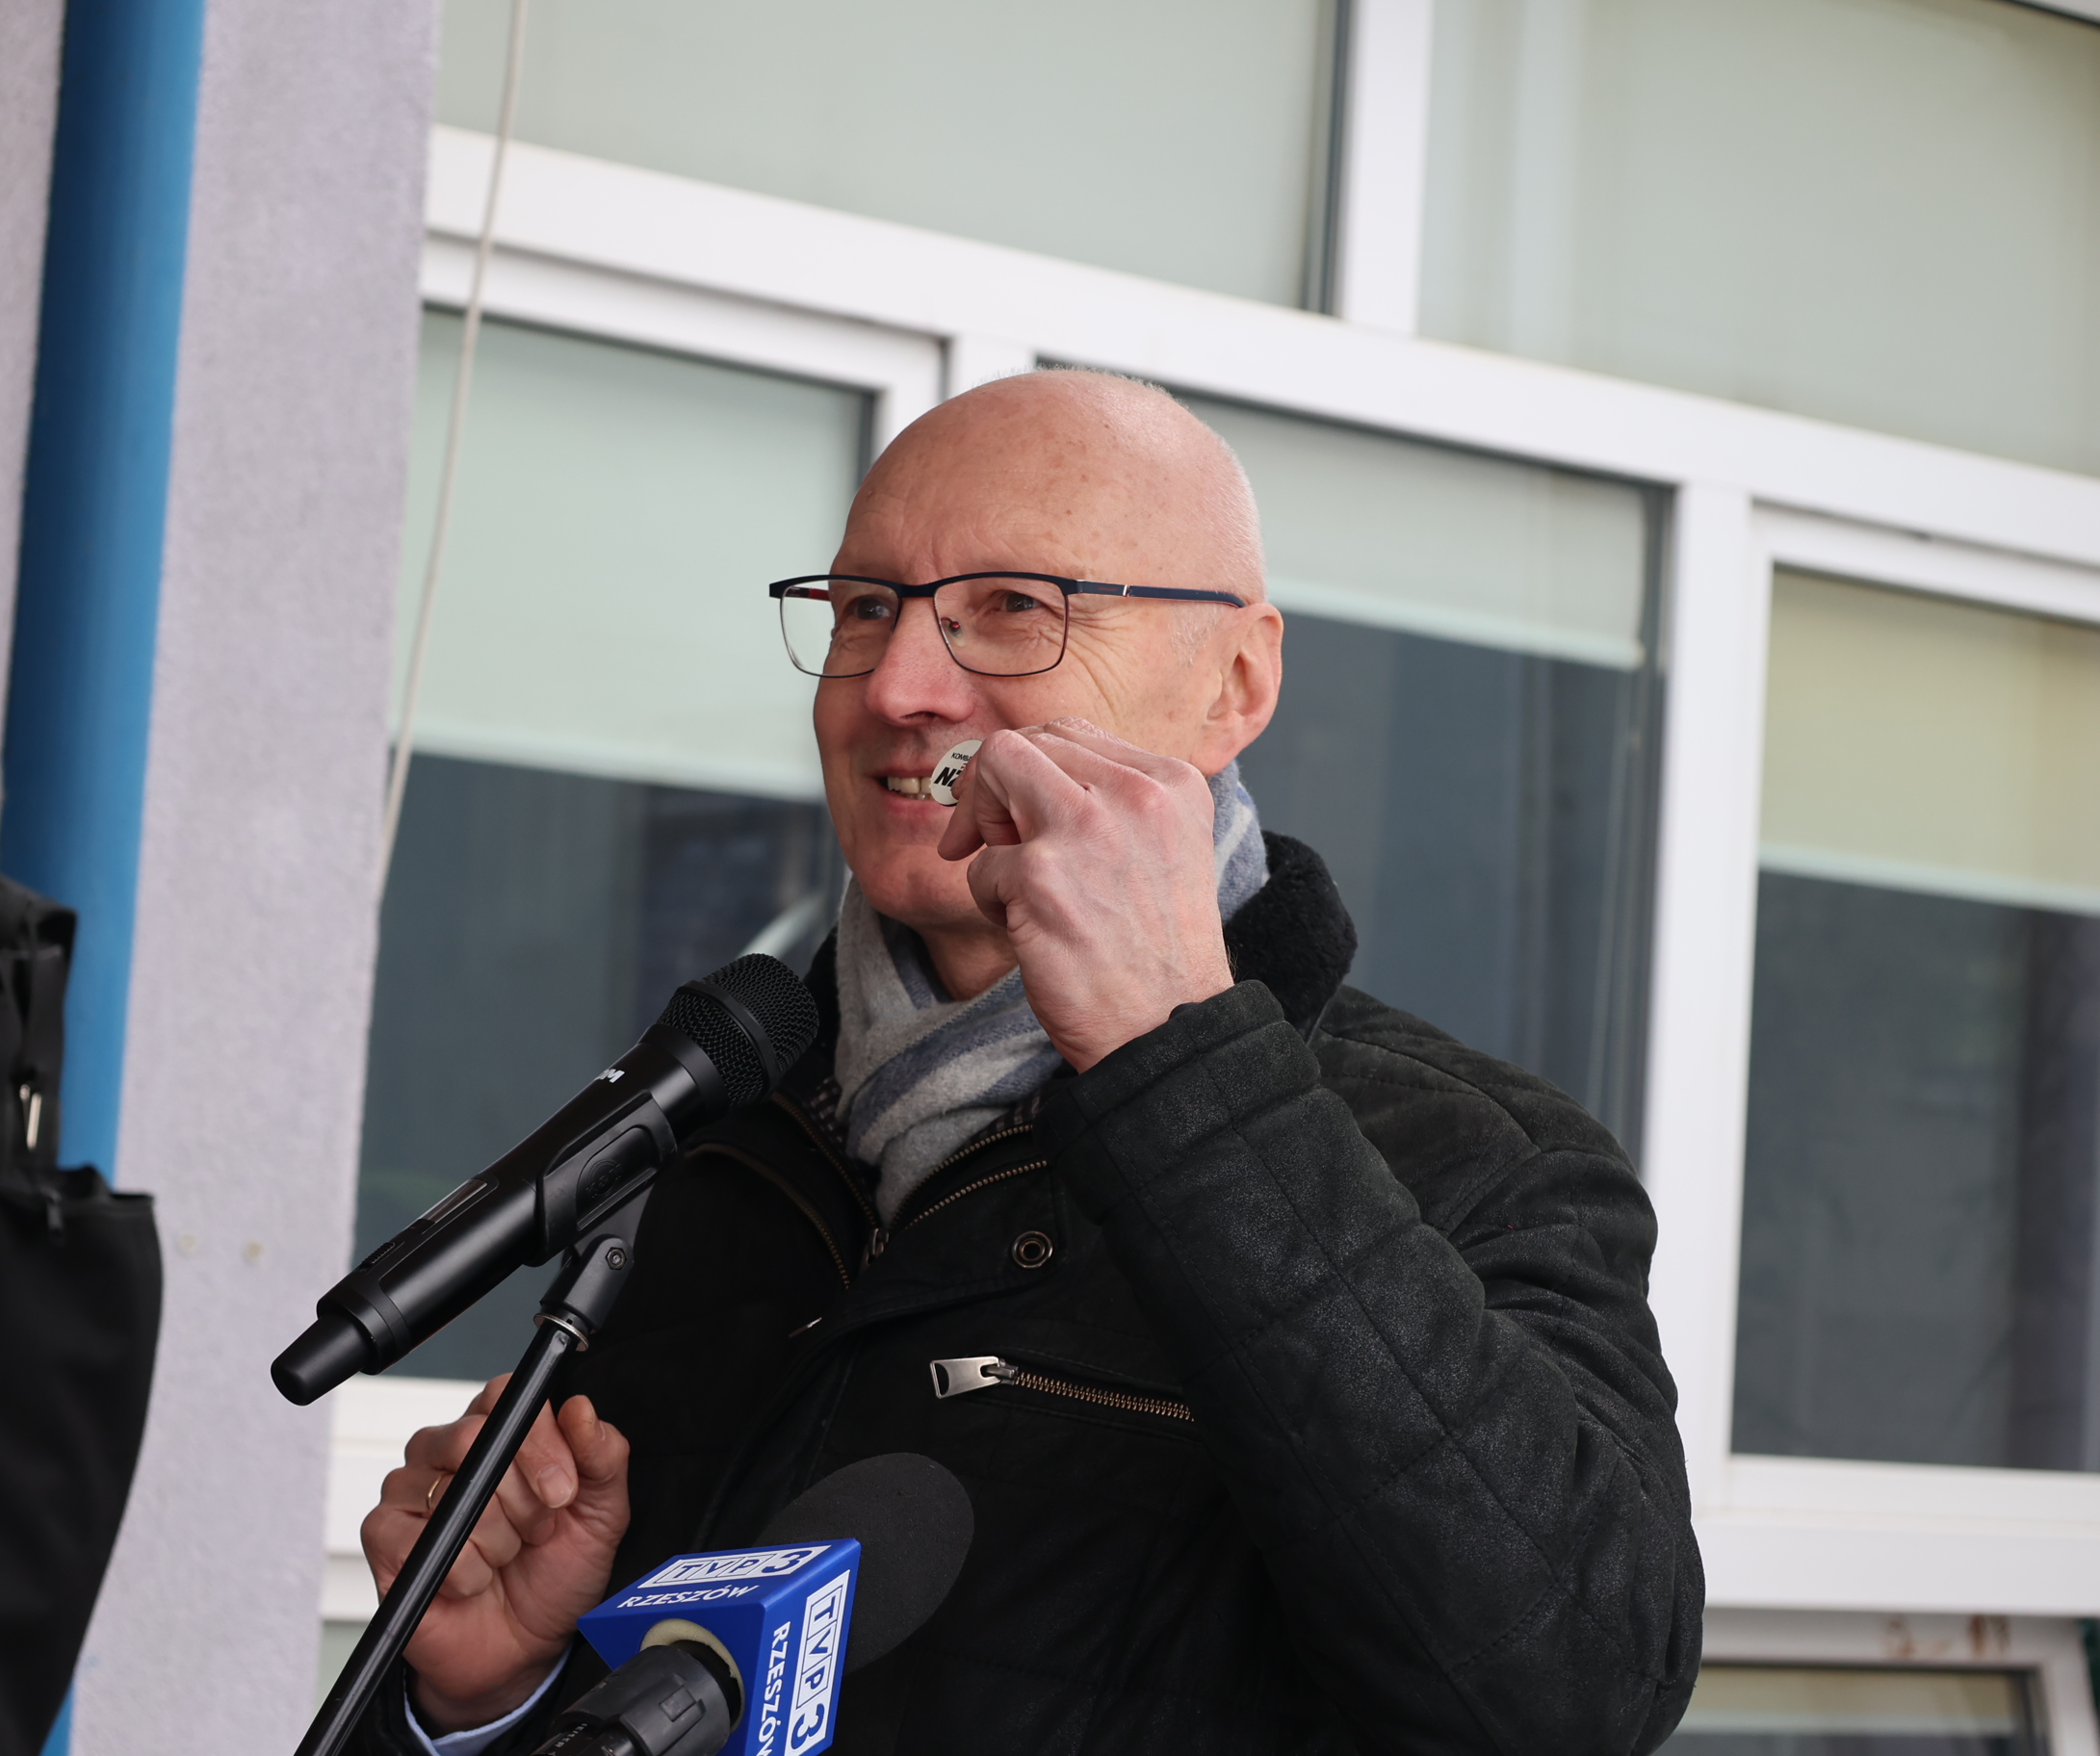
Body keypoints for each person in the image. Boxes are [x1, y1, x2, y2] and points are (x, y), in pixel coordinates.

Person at [350, 370, 1702, 1755]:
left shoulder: (1478, 1164)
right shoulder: (722, 1133)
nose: (898, 687)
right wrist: (486, 1700)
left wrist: (1181, 1064)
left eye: (1012, 606)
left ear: (1236, 681)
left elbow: (1578, 1689)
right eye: (863, 607)